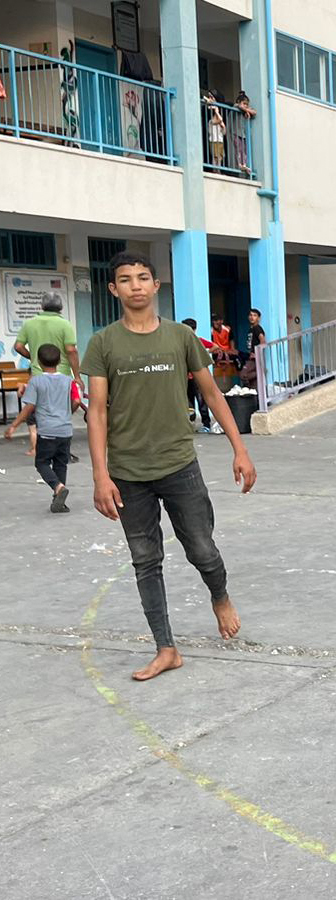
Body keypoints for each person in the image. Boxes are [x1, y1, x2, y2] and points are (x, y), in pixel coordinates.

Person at [84, 252, 256, 681]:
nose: (136, 285)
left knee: (201, 549)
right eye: (126, 280)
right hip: (127, 473)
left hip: (180, 465)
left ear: (156, 285)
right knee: (146, 560)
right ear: (114, 289)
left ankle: (220, 596)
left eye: (143, 278)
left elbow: (213, 395)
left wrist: (240, 448)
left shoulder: (180, 337)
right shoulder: (103, 343)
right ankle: (166, 648)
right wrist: (100, 475)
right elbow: (98, 412)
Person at [3, 344, 77, 512]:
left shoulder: (36, 381)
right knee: (61, 464)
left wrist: (13, 426)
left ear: (38, 361)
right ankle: (59, 502)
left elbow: (29, 407)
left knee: (42, 463)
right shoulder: (68, 380)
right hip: (65, 431)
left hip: (47, 431)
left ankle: (58, 487)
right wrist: (68, 414)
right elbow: (77, 401)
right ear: (59, 361)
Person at [15, 292, 81, 459]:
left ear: (42, 306)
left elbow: (18, 346)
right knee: (60, 412)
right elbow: (71, 351)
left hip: (38, 375)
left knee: (41, 413)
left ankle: (44, 450)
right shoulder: (64, 324)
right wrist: (78, 376)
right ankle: (61, 450)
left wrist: (33, 358)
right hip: (61, 375)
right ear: (60, 307)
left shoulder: (29, 323)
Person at [180, 318, 215, 433]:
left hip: (197, 377)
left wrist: (204, 354)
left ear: (193, 329)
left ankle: (206, 424)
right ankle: (191, 424)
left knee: (201, 400)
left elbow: (215, 346)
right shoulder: (181, 342)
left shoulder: (198, 341)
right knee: (188, 402)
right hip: (186, 377)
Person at [209, 312, 240, 389]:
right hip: (217, 353)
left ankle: (242, 375)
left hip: (228, 352)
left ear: (221, 321)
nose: (215, 322)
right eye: (214, 320)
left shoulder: (227, 329)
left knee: (240, 356)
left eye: (217, 320)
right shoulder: (211, 331)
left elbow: (231, 339)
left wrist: (232, 349)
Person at [238, 307, 265, 389]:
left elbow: (263, 341)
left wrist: (257, 354)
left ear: (258, 318)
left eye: (255, 315)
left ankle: (261, 372)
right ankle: (256, 399)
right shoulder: (251, 329)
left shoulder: (257, 328)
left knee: (243, 375)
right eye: (250, 315)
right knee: (254, 384)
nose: (252, 317)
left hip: (255, 357)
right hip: (251, 356)